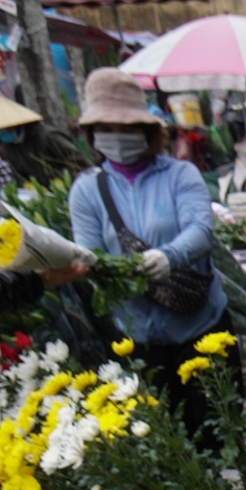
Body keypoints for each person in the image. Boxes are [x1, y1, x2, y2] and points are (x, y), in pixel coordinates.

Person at [68, 68, 229, 436]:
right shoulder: (87, 190)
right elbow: (88, 252)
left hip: (201, 328)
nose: (117, 136)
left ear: (147, 130)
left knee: (215, 433)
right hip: (137, 337)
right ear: (93, 134)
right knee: (165, 441)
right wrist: (113, 274)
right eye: (106, 128)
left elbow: (201, 229)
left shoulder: (180, 175)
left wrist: (169, 256)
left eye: (127, 127)